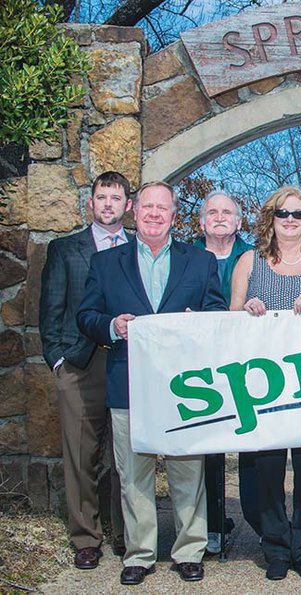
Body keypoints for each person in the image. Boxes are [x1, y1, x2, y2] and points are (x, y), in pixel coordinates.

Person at [77, 181, 227, 586]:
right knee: (134, 472)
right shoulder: (107, 263)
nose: (155, 214)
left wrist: (198, 323)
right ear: (134, 212)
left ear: (174, 215)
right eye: (147, 207)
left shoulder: (200, 261)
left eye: (163, 208)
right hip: (128, 383)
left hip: (186, 387)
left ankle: (189, 550)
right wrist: (112, 325)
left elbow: (218, 312)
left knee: (187, 470)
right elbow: (86, 316)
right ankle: (139, 553)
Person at [231, 186, 301, 582]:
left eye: (299, 215)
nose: (291, 221)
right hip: (263, 387)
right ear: (271, 217)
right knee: (268, 471)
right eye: (284, 214)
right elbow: (228, 326)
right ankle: (276, 547)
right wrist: (248, 310)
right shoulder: (250, 261)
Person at [39, 171, 131, 570]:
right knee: (82, 455)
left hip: (128, 362)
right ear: (90, 203)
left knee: (127, 454)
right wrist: (58, 360)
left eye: (116, 197)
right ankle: (86, 537)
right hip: (81, 363)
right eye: (101, 197)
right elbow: (50, 310)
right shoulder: (65, 250)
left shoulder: (140, 248)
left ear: (128, 205)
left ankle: (127, 534)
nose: (108, 204)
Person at [195, 190, 253, 555]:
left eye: (227, 212)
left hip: (246, 362)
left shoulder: (255, 257)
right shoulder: (185, 257)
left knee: (251, 445)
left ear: (238, 221)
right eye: (211, 212)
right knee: (206, 448)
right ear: (201, 221)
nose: (219, 217)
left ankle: (262, 520)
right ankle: (211, 523)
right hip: (199, 364)